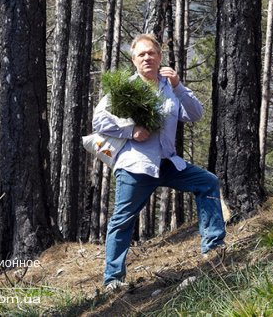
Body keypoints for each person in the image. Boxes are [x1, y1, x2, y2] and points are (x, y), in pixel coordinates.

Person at [92, 33, 226, 291]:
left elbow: (196, 114)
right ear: (133, 60)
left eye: (151, 53)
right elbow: (99, 120)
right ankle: (113, 280)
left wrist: (178, 85)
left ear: (160, 57)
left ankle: (213, 248)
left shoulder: (169, 87)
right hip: (136, 166)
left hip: (168, 163)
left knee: (208, 183)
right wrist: (130, 131)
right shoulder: (124, 89)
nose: (147, 58)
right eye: (141, 54)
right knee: (123, 219)